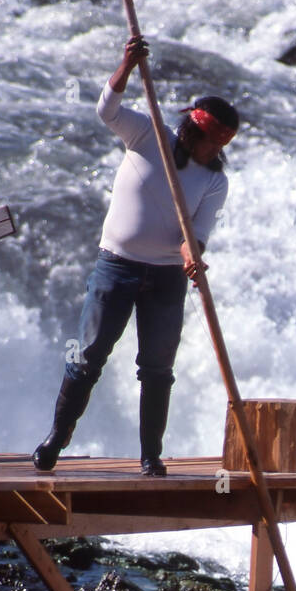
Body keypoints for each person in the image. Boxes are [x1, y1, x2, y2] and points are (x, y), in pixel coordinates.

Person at [33, 36, 238, 477]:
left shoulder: (215, 182)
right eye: (214, 143)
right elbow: (106, 110)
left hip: (166, 279)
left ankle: (150, 456)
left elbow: (195, 236)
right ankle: (56, 439)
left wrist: (191, 258)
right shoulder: (149, 134)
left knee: (158, 369)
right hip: (116, 267)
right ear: (196, 132)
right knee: (87, 357)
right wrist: (126, 65)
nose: (217, 152)